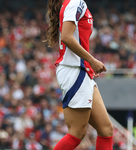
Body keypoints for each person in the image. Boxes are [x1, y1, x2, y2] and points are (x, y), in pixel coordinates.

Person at [45, 0, 113, 150]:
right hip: (75, 70)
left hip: (81, 71)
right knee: (76, 133)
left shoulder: (73, 3)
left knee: (106, 129)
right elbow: (67, 37)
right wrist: (92, 60)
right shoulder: (75, 2)